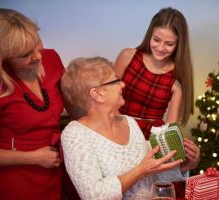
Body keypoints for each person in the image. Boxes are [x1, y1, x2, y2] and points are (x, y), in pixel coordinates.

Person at [60, 57, 200, 200]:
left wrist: (186, 165)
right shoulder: (75, 134)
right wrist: (141, 171)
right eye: (115, 81)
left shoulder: (129, 122)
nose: (122, 85)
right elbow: (94, 195)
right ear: (97, 94)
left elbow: (152, 175)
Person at [0, 8, 65, 199]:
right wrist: (33, 157)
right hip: (15, 180)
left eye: (37, 45)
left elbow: (74, 103)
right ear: (2, 58)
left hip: (54, 170)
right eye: (25, 54)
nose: (38, 56)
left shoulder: (52, 60)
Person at [114, 7, 194, 140]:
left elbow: (170, 131)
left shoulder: (176, 79)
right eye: (156, 40)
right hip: (116, 127)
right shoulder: (127, 56)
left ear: (178, 45)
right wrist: (122, 128)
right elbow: (108, 97)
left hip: (149, 139)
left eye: (169, 44)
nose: (161, 48)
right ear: (150, 35)